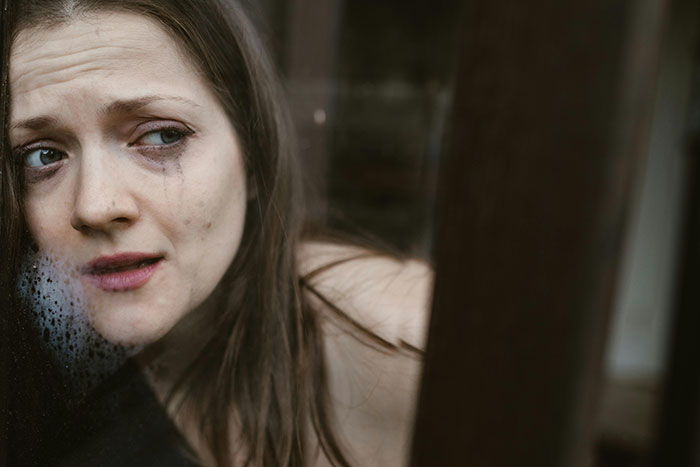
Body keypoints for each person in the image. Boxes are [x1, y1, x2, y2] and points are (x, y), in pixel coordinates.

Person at [0, 1, 432, 466]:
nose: (94, 206)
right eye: (43, 156)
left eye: (162, 136)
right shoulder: (37, 349)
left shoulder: (403, 344)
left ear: (252, 154)